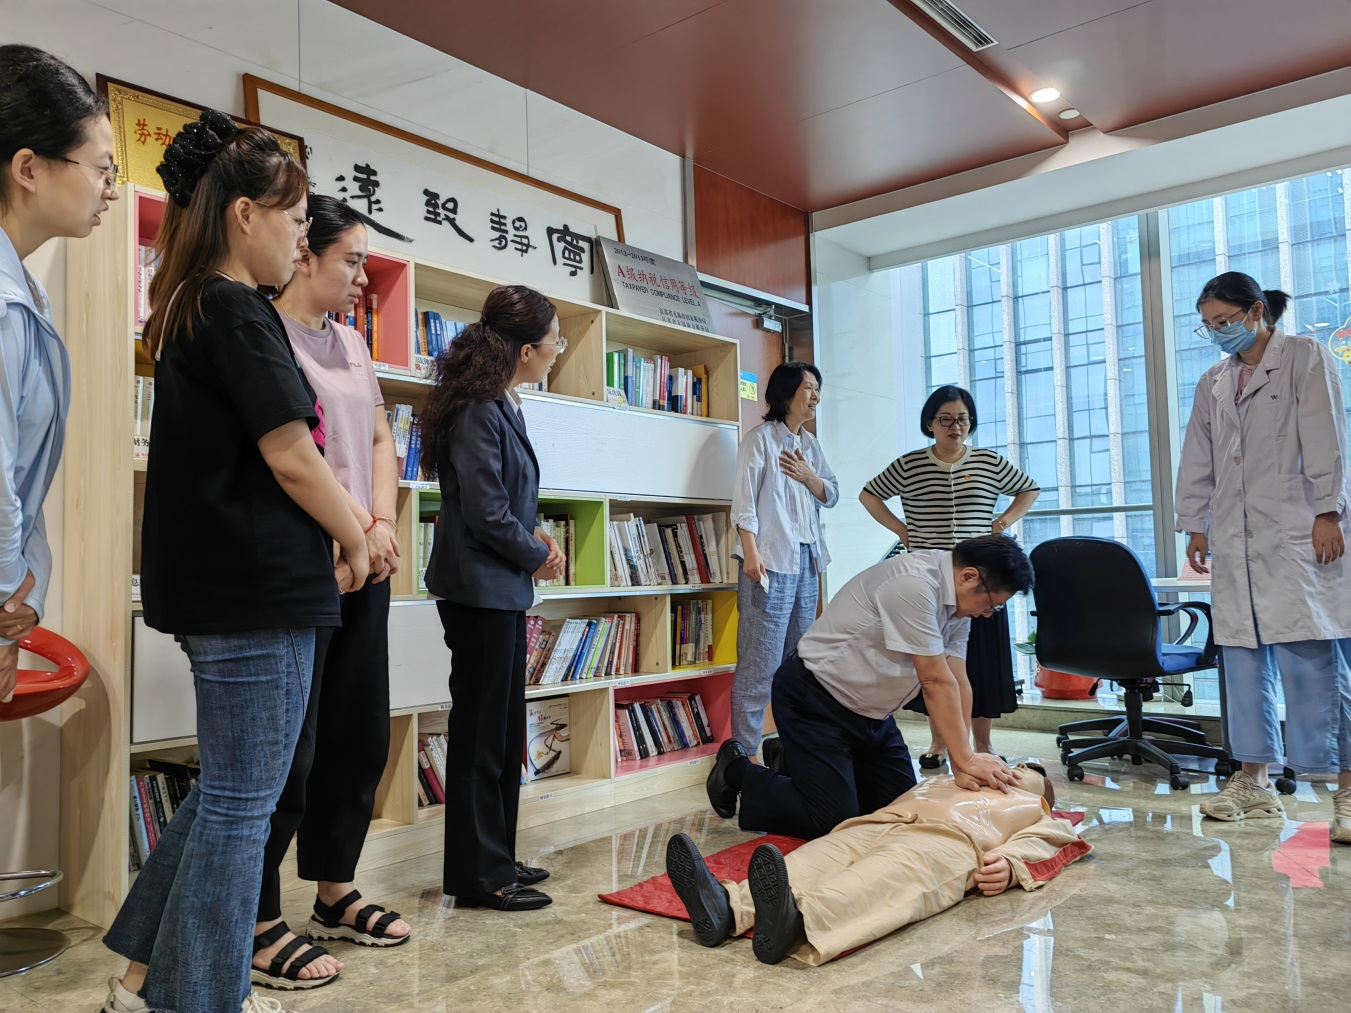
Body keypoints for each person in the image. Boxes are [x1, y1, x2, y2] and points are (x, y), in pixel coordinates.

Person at [101, 110, 369, 1013]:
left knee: (225, 795)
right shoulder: (231, 307)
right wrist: (355, 535)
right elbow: (291, 454)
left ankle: (142, 979)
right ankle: (196, 999)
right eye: (294, 221)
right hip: (255, 592)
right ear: (243, 214)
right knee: (240, 808)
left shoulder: (188, 302)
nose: (301, 239)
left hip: (229, 587)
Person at [248, 194, 409, 992]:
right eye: (351, 260)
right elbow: (293, 452)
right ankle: (256, 916)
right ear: (304, 253)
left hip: (364, 554)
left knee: (357, 728)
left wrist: (380, 522)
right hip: (307, 555)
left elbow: (377, 436)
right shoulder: (263, 333)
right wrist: (354, 527)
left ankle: (335, 891)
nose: (362, 278)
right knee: (290, 745)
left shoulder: (350, 340)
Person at [707, 534, 1034, 841]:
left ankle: (796, 762)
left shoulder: (960, 606)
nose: (988, 615)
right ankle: (737, 771)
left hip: (873, 716)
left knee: (902, 813)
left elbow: (957, 679)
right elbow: (934, 680)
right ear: (969, 577)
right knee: (834, 821)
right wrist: (966, 757)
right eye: (992, 605)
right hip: (815, 701)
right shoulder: (915, 585)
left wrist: (964, 762)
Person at [1175, 271, 1351, 841]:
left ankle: (1347, 789)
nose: (1217, 332)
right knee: (1243, 662)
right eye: (1209, 325)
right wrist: (1194, 523)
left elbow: (1326, 434)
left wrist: (1328, 510)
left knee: (1314, 660)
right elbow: (1198, 454)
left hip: (1300, 531)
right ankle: (1253, 781)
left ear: (1256, 311)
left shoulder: (1303, 357)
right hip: (1236, 538)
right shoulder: (1213, 381)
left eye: (1224, 320)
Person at [421, 284, 566, 911]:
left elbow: (503, 502)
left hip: (500, 588)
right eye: (555, 340)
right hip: (478, 590)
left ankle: (497, 857)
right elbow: (484, 512)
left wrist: (536, 540)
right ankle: (480, 877)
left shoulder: (502, 402)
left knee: (503, 735)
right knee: (481, 737)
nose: (558, 350)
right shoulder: (479, 408)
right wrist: (536, 553)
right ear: (526, 349)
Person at [670, 763, 1090, 965]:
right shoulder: (953, 776)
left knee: (878, 880)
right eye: (1015, 762)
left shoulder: (1035, 809)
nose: (1016, 768)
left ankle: (798, 920)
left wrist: (1012, 864)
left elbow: (1054, 841)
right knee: (810, 859)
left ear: (1042, 794)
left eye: (1027, 771)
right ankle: (725, 907)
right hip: (879, 822)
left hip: (949, 841)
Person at [0, 44, 116, 703]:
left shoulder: (28, 296)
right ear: (28, 168)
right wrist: (4, 607)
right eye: (101, 169)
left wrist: (23, 596)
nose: (111, 190)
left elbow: (27, 476)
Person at [859, 384, 1039, 766]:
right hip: (931, 579)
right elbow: (869, 494)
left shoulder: (988, 462)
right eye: (946, 419)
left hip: (982, 581)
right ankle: (939, 743)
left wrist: (1003, 522)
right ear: (930, 423)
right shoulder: (909, 465)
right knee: (934, 663)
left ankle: (983, 745)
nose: (955, 427)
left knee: (982, 664)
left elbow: (1029, 489)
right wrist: (901, 530)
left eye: (962, 419)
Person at [729, 361, 838, 758]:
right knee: (759, 663)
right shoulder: (759, 440)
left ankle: (796, 750)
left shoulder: (810, 444)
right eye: (809, 387)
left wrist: (809, 476)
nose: (816, 396)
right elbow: (744, 502)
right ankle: (745, 756)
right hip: (769, 562)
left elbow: (832, 493)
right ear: (786, 393)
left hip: (807, 560)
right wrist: (750, 551)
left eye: (818, 388)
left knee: (799, 662)